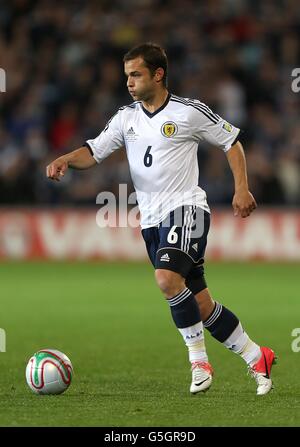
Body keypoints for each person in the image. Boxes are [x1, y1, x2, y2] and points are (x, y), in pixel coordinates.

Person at [47, 42, 276, 396]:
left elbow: (231, 142)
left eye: (135, 75)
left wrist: (241, 189)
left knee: (167, 279)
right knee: (200, 304)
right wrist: (66, 158)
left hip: (188, 210)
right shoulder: (126, 117)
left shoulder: (189, 112)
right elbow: (94, 150)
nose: (129, 82)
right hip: (152, 222)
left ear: (158, 74)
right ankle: (256, 355)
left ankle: (198, 362)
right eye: (126, 76)